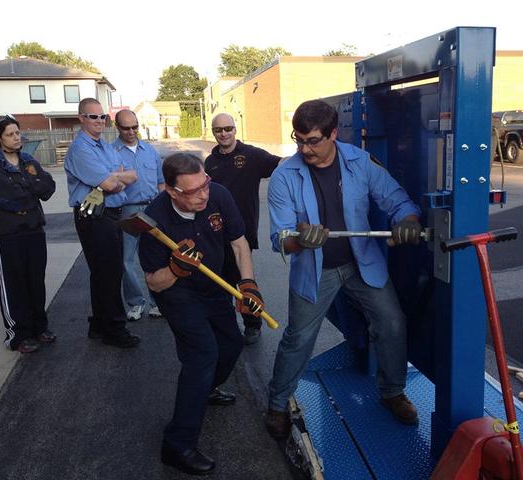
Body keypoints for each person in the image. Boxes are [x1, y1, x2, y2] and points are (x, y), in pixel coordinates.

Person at [265, 99, 423, 437]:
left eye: (313, 140)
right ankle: (277, 404)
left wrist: (408, 220)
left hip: (360, 262)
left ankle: (392, 391)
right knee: (298, 338)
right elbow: (279, 239)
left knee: (392, 322)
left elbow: (397, 200)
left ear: (333, 133)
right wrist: (301, 240)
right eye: (299, 140)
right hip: (315, 272)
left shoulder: (360, 163)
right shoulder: (284, 176)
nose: (304, 149)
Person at [138, 153, 265, 476]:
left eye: (204, 185)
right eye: (193, 191)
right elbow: (154, 281)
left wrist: (248, 284)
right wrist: (175, 269)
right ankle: (177, 445)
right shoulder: (154, 221)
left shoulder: (218, 194)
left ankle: (205, 388)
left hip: (214, 285)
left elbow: (238, 243)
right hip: (178, 293)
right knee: (202, 356)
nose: (203, 195)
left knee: (232, 345)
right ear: (172, 191)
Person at [64, 98, 140, 348]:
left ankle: (98, 324)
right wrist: (113, 177)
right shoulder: (81, 149)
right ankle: (115, 329)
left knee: (104, 273)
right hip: (94, 216)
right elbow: (110, 184)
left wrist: (112, 176)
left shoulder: (103, 146)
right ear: (81, 118)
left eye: (102, 117)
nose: (98, 121)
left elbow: (132, 175)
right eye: (92, 116)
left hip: (111, 214)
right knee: (108, 273)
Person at [204, 113, 280, 345]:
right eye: (218, 130)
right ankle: (226, 326)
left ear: (235, 129)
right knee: (221, 281)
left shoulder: (253, 155)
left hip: (243, 232)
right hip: (216, 231)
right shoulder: (210, 161)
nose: (224, 133)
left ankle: (253, 325)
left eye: (228, 128)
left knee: (242, 280)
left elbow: (283, 165)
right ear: (214, 132)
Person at [0, 114, 56, 353]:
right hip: (7, 235)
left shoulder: (27, 160)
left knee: (35, 282)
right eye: (10, 134)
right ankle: (18, 334)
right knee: (13, 285)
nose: (17, 138)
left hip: (34, 230)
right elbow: (9, 199)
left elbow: (48, 188)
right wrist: (32, 185)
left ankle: (39, 327)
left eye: (17, 132)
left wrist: (29, 185)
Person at [114, 109, 164, 321]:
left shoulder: (150, 151)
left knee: (156, 256)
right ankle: (135, 303)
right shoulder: (111, 152)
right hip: (127, 210)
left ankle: (157, 302)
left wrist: (164, 208)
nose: (131, 132)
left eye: (135, 127)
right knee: (126, 259)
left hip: (153, 208)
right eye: (126, 128)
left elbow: (161, 182)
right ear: (117, 128)